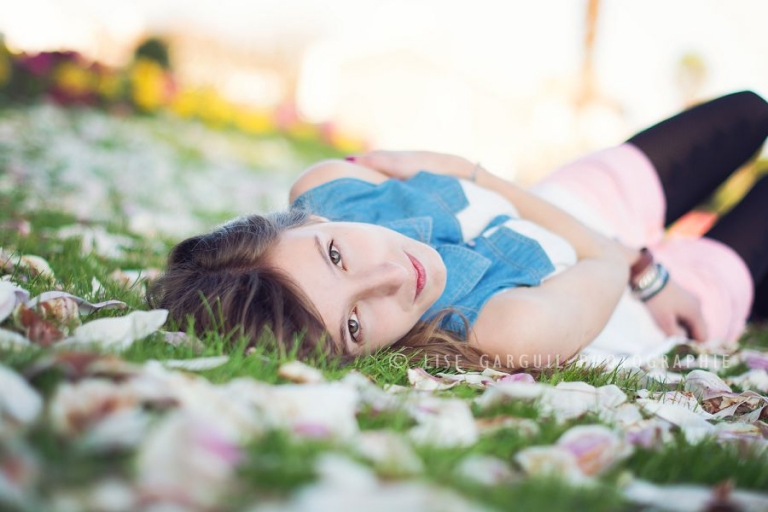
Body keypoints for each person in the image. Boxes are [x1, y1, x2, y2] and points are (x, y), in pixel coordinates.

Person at [148, 91, 768, 370]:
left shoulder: (327, 187)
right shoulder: (507, 331)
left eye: (336, 254)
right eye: (355, 324)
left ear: (309, 220)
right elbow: (606, 262)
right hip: (650, 301)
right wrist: (471, 173)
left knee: (748, 111)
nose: (392, 277)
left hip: (562, 206)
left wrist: (480, 179)